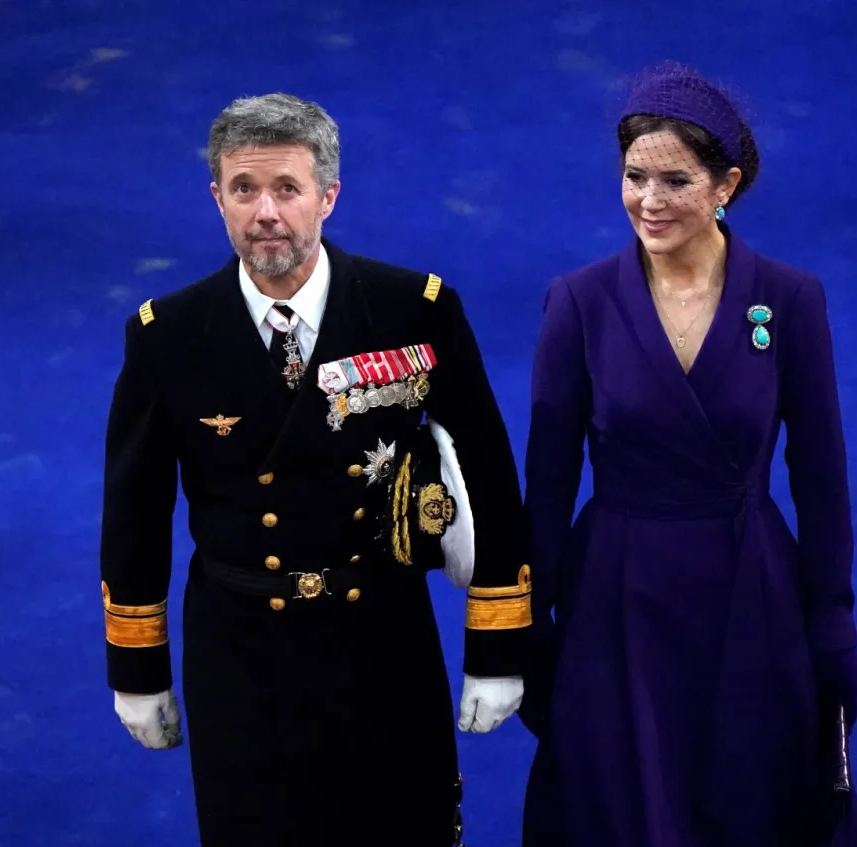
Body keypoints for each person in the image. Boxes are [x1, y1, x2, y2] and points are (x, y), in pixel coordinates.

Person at [99, 92, 533, 846]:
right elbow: (135, 508)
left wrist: (495, 647)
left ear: (328, 196)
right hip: (238, 653)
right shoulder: (168, 335)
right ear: (217, 198)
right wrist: (138, 670)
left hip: (382, 639)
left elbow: (488, 473)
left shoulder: (413, 309)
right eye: (244, 189)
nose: (265, 212)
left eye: (287, 188)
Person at [518, 62, 857, 846]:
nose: (648, 200)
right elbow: (546, 487)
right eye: (634, 176)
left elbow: (822, 483)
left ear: (726, 186)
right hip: (617, 608)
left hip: (750, 600)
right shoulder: (578, 302)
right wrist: (524, 626)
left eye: (674, 180)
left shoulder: (790, 300)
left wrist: (834, 628)